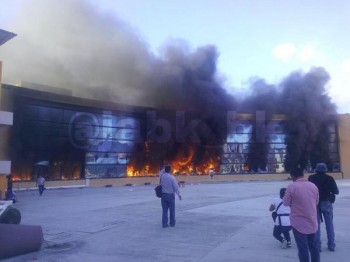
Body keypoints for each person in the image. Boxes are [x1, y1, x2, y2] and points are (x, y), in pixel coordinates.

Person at [283, 167, 320, 262]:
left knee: (302, 248)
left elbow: (285, 203)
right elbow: (316, 202)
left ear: (292, 176)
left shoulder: (292, 187)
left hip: (298, 222)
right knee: (314, 247)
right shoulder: (313, 186)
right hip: (312, 220)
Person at [308, 163, 339, 252]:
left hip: (315, 203)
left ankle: (317, 246)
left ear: (316, 169)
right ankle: (331, 245)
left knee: (316, 225)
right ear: (325, 170)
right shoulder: (329, 178)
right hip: (326, 202)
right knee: (329, 224)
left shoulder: (311, 178)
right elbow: (336, 191)